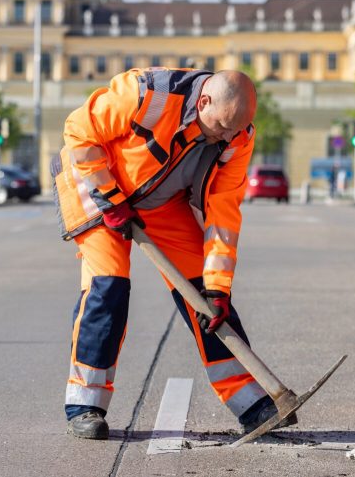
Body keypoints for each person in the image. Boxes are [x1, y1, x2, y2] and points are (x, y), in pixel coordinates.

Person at [51, 67, 294, 440]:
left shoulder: (238, 138)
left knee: (206, 302)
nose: (227, 137)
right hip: (98, 191)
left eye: (236, 129)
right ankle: (85, 404)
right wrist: (113, 201)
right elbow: (80, 132)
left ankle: (252, 404)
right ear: (204, 101)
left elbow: (223, 214)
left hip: (160, 203)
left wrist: (218, 287)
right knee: (109, 287)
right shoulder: (148, 92)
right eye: (222, 126)